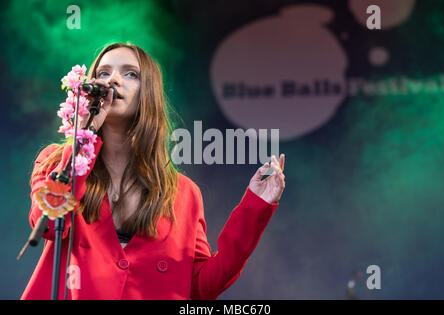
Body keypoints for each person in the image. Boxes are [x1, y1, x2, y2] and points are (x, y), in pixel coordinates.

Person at [21, 42, 286, 300]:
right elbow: (47, 224)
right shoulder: (55, 162)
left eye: (130, 74)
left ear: (149, 93)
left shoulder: (184, 193)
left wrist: (255, 207)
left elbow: (201, 287)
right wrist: (83, 137)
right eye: (103, 73)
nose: (112, 80)